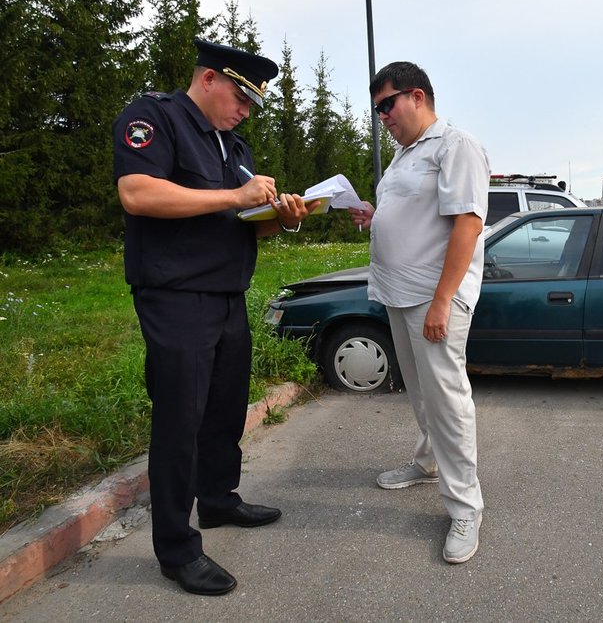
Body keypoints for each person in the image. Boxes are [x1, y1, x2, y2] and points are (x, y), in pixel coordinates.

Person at [112, 38, 318, 596]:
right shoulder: (153, 116)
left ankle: (220, 500)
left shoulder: (235, 146)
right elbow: (137, 193)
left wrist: (286, 217)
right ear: (208, 80)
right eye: (241, 97)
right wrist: (234, 194)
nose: (246, 110)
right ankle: (176, 550)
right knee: (180, 421)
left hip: (228, 296)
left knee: (224, 410)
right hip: (176, 297)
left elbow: (246, 222)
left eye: (253, 103)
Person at [349, 61, 488, 564]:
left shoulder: (455, 146)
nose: (382, 116)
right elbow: (408, 216)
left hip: (434, 299)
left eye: (387, 104)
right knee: (421, 391)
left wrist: (442, 300)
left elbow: (467, 226)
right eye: (377, 108)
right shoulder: (404, 157)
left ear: (417, 96)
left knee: (448, 401)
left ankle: (465, 507)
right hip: (398, 294)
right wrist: (372, 213)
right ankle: (428, 463)